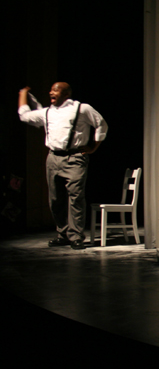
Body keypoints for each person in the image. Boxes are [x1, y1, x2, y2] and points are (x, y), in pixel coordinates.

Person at [18, 82, 108, 250]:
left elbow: (101, 124)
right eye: (51, 90)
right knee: (55, 199)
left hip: (75, 158)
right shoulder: (47, 112)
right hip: (53, 158)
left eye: (55, 90)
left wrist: (93, 147)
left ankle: (76, 236)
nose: (51, 92)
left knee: (75, 197)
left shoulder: (81, 108)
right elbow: (24, 116)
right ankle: (63, 234)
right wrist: (23, 94)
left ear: (66, 94)